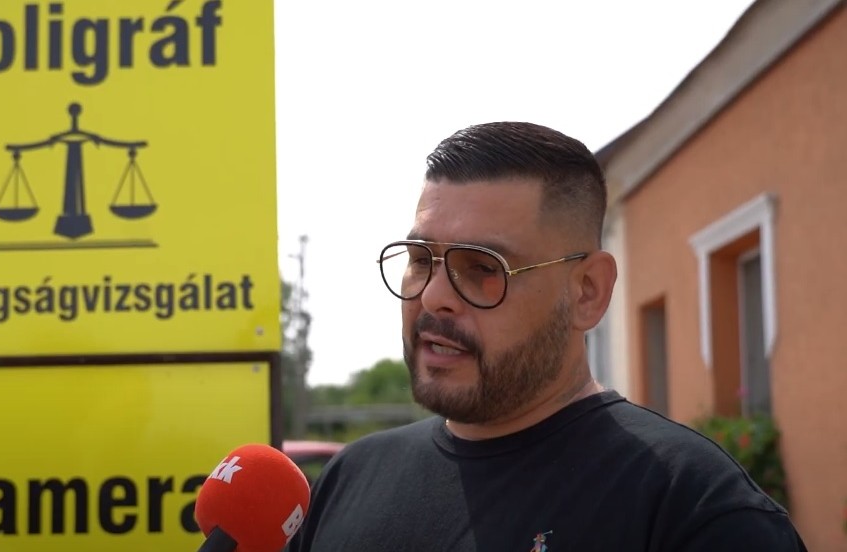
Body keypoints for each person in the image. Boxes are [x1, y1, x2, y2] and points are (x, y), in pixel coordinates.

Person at [288, 122, 807, 551]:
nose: (433, 297)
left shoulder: (694, 512)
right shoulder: (349, 480)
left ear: (587, 292)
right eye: (421, 260)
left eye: (482, 268)